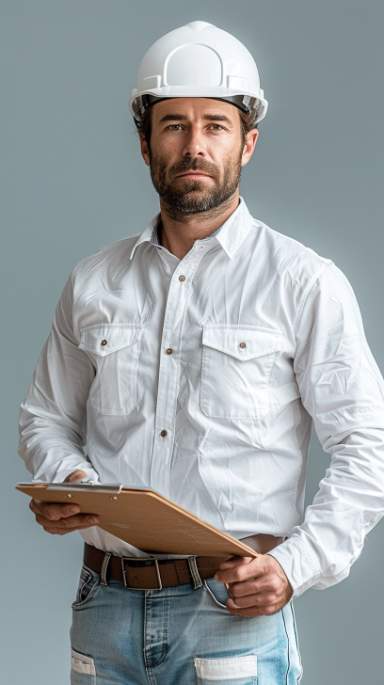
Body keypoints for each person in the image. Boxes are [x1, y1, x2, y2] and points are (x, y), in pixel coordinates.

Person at [18, 20, 384, 685]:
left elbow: (368, 445)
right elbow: (44, 417)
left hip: (230, 607)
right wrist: (69, 482)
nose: (194, 145)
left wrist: (296, 565)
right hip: (102, 605)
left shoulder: (302, 281)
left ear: (248, 142)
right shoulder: (95, 281)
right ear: (144, 142)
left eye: (215, 125)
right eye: (174, 125)